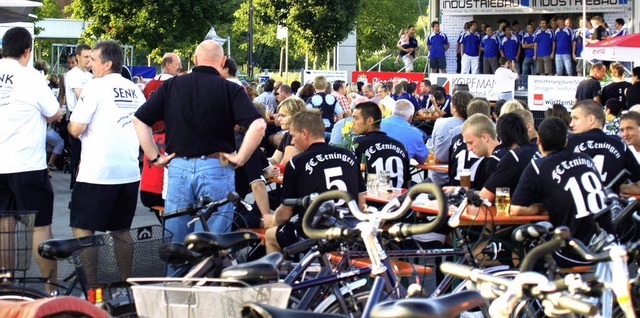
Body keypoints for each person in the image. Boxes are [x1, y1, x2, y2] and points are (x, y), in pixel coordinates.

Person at [133, 40, 266, 246]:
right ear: (222, 62)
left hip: (179, 168)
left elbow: (140, 119)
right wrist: (240, 157)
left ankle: (176, 278)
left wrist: (154, 156)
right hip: (216, 168)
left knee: (176, 246)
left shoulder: (172, 85)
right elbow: (258, 125)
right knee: (211, 245)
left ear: (194, 60)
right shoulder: (230, 89)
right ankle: (207, 277)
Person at [0, 26, 63, 293]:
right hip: (28, 165)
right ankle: (50, 290)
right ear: (27, 51)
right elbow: (54, 114)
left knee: (4, 228)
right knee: (40, 228)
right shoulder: (32, 78)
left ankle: (7, 287)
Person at [68, 40, 146, 240]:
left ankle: (89, 273)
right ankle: (124, 274)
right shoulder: (135, 90)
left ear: (107, 64)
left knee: (83, 228)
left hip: (97, 173)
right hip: (128, 173)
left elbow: (76, 129)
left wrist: (69, 125)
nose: (90, 64)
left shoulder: (95, 87)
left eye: (94, 60)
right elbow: (144, 126)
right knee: (121, 232)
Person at [265, 110, 365, 253]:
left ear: (304, 133)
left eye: (293, 136)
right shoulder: (348, 155)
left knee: (270, 236)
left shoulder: (296, 162)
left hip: (315, 232)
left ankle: (285, 275)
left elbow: (285, 214)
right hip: (348, 228)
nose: (292, 142)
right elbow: (361, 203)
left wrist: (273, 219)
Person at [511, 118, 603, 266]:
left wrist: (544, 206)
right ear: (566, 142)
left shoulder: (538, 166)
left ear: (538, 141)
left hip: (575, 251)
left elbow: (517, 209)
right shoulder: (585, 158)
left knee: (532, 254)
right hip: (607, 243)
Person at [567, 100, 640, 186]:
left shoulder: (568, 143)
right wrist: (616, 189)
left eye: (575, 118)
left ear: (591, 119)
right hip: (610, 198)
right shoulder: (619, 145)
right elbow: (638, 181)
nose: (571, 124)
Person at [475, 113, 539, 201]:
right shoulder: (538, 149)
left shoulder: (514, 157)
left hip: (524, 211)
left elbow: (485, 197)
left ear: (503, 137)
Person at [353, 102, 411, 189]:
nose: (352, 122)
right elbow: (407, 183)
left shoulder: (359, 144)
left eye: (356, 118)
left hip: (371, 200)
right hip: (397, 200)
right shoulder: (400, 145)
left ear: (370, 121)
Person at [65, 43, 93, 190]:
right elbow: (80, 96)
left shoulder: (90, 75)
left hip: (89, 118)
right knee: (77, 151)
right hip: (77, 118)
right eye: (86, 56)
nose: (89, 60)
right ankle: (75, 182)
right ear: (78, 57)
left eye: (91, 56)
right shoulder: (73, 74)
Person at [430, 91, 473, 186]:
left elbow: (436, 154)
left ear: (455, 108)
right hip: (467, 177)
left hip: (440, 177)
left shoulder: (440, 123)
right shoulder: (474, 127)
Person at [448, 99, 490, 188]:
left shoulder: (457, 139)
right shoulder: (487, 141)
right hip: (478, 191)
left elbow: (450, 169)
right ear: (488, 118)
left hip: (454, 189)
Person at [380, 100, 429, 164]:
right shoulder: (415, 134)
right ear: (411, 118)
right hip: (399, 171)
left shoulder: (377, 125)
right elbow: (423, 159)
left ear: (392, 112)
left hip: (372, 170)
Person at [269, 97, 306, 166]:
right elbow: (275, 159)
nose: (279, 119)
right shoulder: (287, 134)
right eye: (279, 115)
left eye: (283, 116)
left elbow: (286, 164)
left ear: (295, 115)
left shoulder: (295, 135)